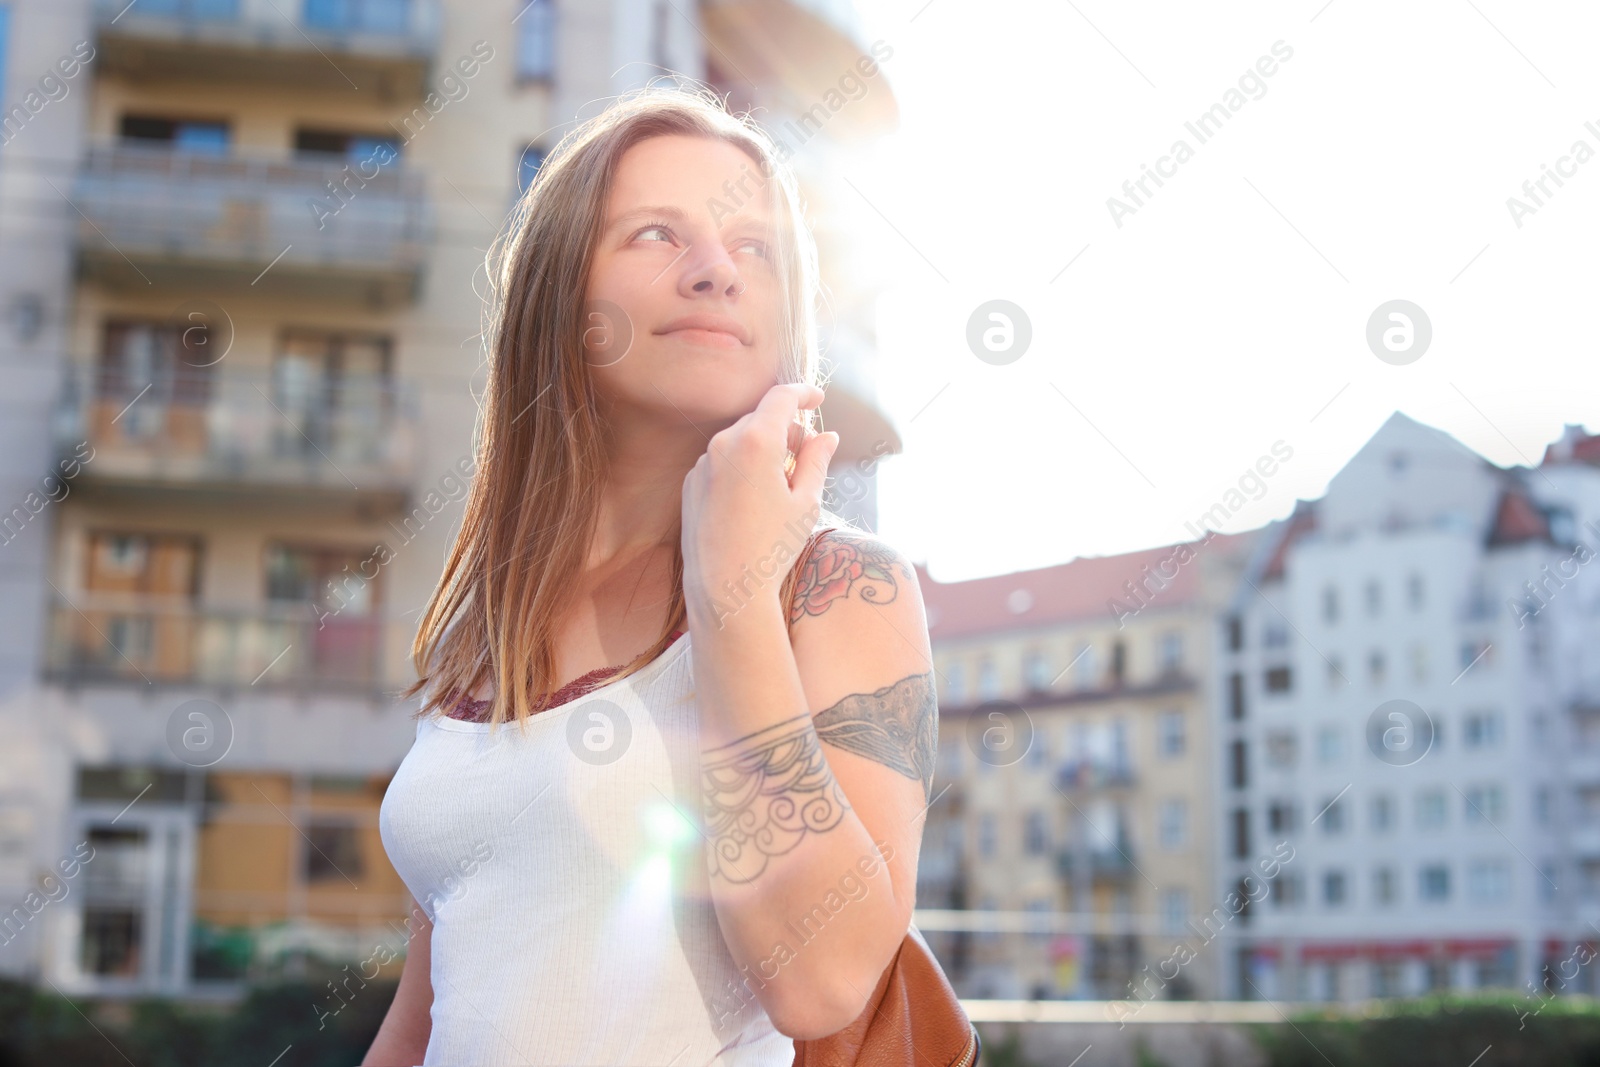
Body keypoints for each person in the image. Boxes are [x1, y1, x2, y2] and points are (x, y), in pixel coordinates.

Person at [365, 84, 937, 1066]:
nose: (716, 270)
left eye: (754, 247)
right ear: (562, 296)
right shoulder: (487, 619)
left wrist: (729, 592)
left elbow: (820, 977)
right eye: (656, 235)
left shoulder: (840, 586)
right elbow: (427, 1013)